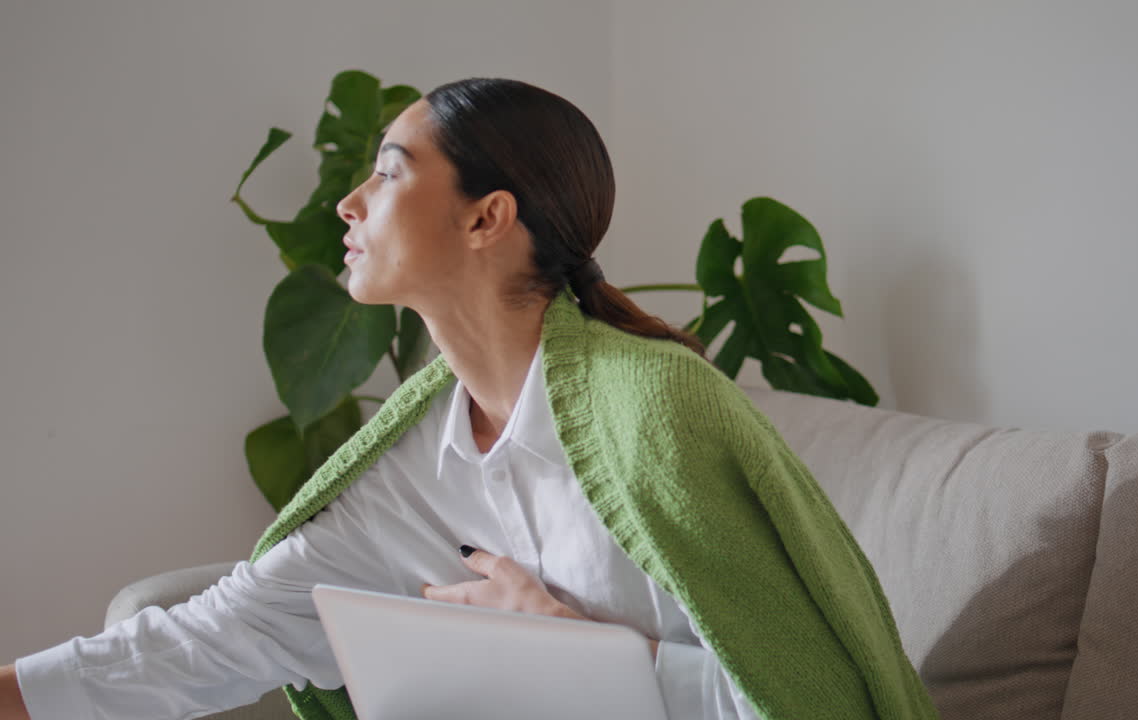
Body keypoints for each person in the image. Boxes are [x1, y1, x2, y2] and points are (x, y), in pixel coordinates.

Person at [0, 78, 937, 720]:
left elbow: (807, 699)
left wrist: (584, 655)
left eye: (390, 171)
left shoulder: (659, 415)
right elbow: (210, 640)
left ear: (488, 218)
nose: (348, 202)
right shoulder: (408, 466)